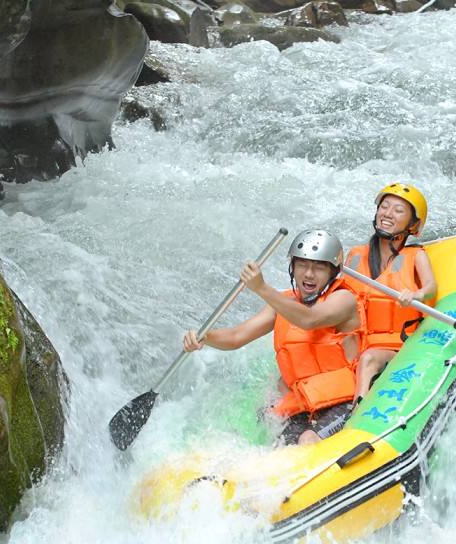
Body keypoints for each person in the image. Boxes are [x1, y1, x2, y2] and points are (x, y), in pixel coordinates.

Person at [183, 229, 361, 445]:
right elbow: (236, 336)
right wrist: (204, 337)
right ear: (292, 267)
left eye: (319, 267)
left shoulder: (343, 299)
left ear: (333, 272)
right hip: (303, 402)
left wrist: (261, 288)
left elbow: (309, 319)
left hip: (344, 401)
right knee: (279, 446)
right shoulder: (282, 304)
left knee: (307, 440)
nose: (309, 274)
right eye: (302, 265)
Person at [344, 183, 437, 403]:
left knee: (368, 359)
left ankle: (357, 412)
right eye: (384, 207)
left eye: (398, 210)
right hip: (358, 341)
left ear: (413, 224)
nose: (387, 213)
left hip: (396, 347)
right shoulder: (355, 255)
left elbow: (431, 287)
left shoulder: (415, 255)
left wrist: (416, 295)